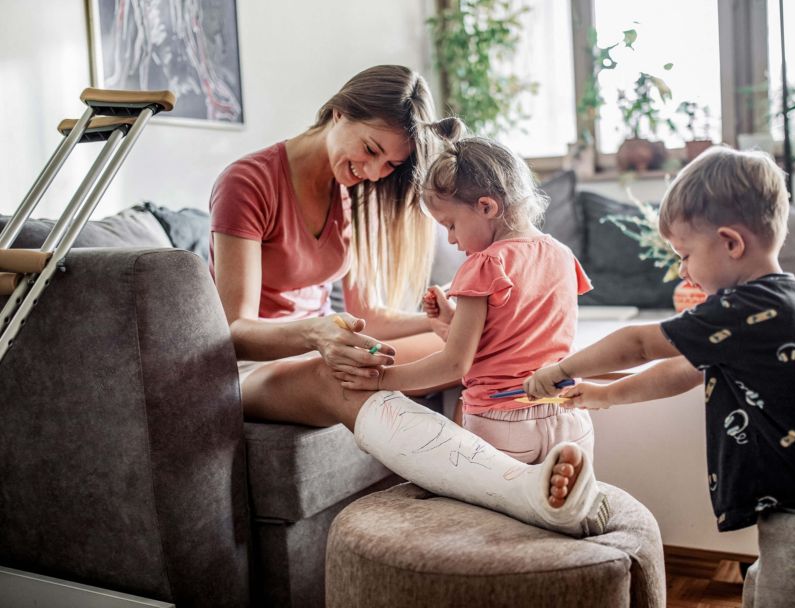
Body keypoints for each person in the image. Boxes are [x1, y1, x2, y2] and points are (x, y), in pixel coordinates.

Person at [209, 65, 607, 537]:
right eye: (372, 150)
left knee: (467, 349)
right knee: (341, 374)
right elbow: (233, 333)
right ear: (339, 112)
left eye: (391, 166)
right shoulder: (249, 182)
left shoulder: (350, 195)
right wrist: (318, 334)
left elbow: (370, 317)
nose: (375, 173)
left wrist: (450, 324)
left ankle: (534, 434)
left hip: (320, 343)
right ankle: (518, 486)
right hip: (251, 368)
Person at [525, 146, 795, 603]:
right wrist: (606, 394)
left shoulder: (751, 307)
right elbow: (682, 371)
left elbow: (640, 343)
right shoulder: (767, 306)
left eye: (685, 254)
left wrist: (560, 369)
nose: (682, 269)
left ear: (731, 243)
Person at [336, 137, 595, 469]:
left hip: (503, 423)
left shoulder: (485, 264)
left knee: (485, 512)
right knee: (559, 513)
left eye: (451, 225)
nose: (452, 239)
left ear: (486, 207)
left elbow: (454, 364)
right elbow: (515, 331)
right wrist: (450, 321)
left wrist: (380, 379)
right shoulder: (562, 255)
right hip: (569, 415)